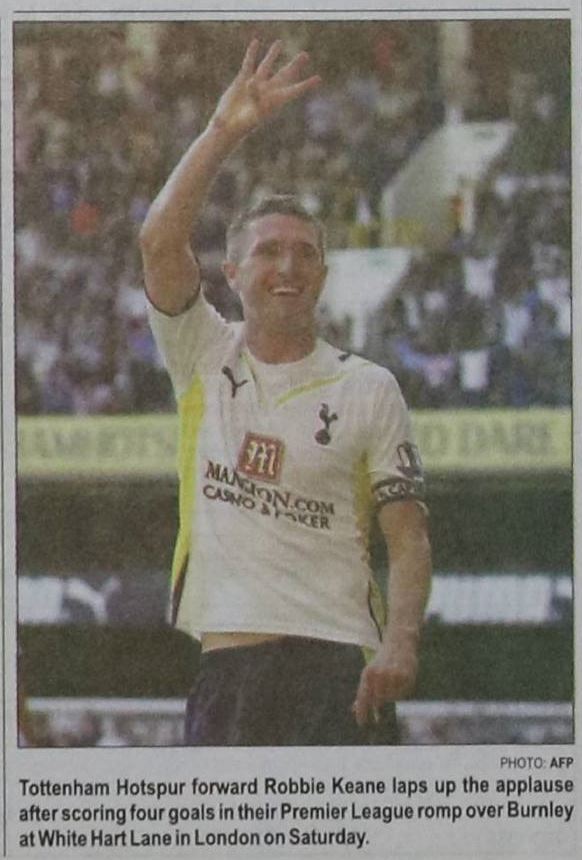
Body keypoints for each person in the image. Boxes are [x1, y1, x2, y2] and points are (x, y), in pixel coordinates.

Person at [140, 39, 432, 746]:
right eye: (268, 251)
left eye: (305, 254)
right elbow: (158, 242)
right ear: (233, 272)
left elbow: (408, 536)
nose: (288, 267)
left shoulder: (368, 386)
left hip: (338, 670)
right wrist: (222, 131)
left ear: (323, 277)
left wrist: (401, 642)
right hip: (229, 669)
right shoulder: (202, 351)